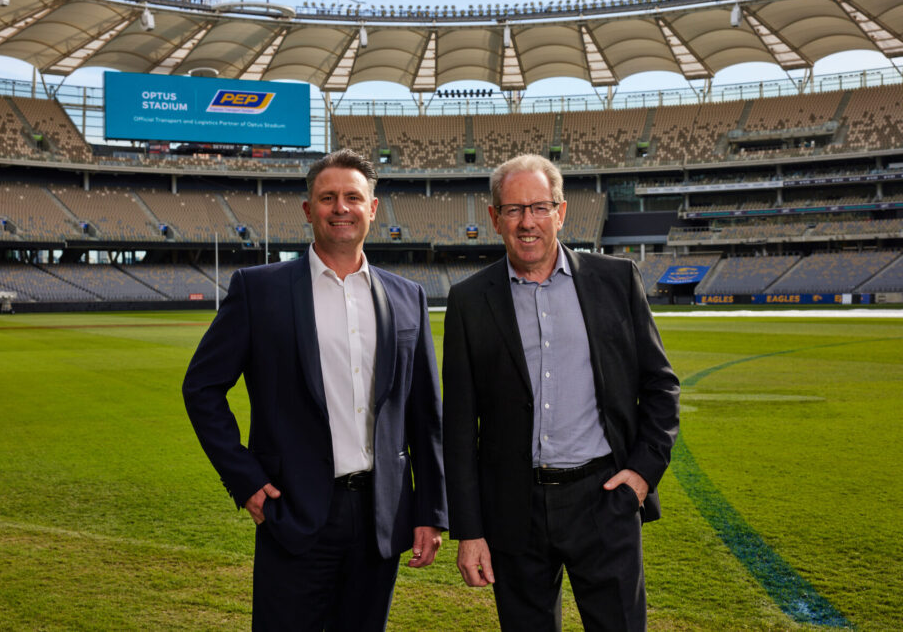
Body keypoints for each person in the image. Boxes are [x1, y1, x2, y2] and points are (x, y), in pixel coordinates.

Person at [182, 148, 448, 632]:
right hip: (294, 512)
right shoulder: (258, 289)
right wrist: (245, 479)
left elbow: (425, 414)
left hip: (380, 519)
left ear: (373, 208)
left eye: (352, 197)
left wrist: (431, 509)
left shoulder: (407, 296)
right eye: (328, 197)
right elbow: (201, 387)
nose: (340, 208)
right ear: (309, 210)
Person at [442, 154, 679, 631]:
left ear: (561, 212)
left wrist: (640, 474)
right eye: (512, 210)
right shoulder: (469, 300)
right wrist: (469, 531)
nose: (527, 222)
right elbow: (459, 428)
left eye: (539, 207)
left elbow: (660, 385)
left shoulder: (616, 280)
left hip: (604, 498)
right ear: (494, 218)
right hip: (514, 510)